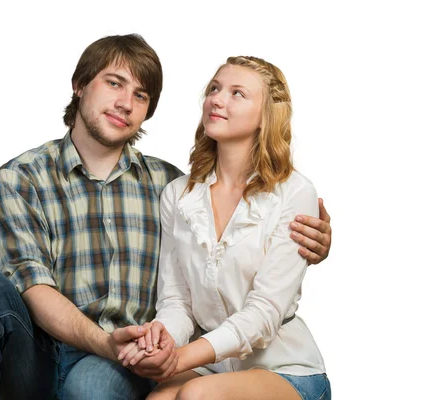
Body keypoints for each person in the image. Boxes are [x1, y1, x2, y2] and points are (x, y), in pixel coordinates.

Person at [0, 35, 332, 400]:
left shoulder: (168, 184)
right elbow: (33, 286)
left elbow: (198, 292)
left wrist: (314, 242)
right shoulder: (20, 178)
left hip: (122, 360)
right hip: (38, 352)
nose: (125, 102)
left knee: (92, 388)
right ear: (80, 85)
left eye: (140, 95)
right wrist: (111, 343)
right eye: (113, 83)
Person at [118, 56, 331, 400]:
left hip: (284, 369)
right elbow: (177, 302)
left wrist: (181, 357)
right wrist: (160, 341)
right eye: (214, 89)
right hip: (213, 367)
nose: (217, 99)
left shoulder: (295, 192)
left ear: (266, 116)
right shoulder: (178, 193)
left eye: (237, 93)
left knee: (197, 395)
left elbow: (264, 314)